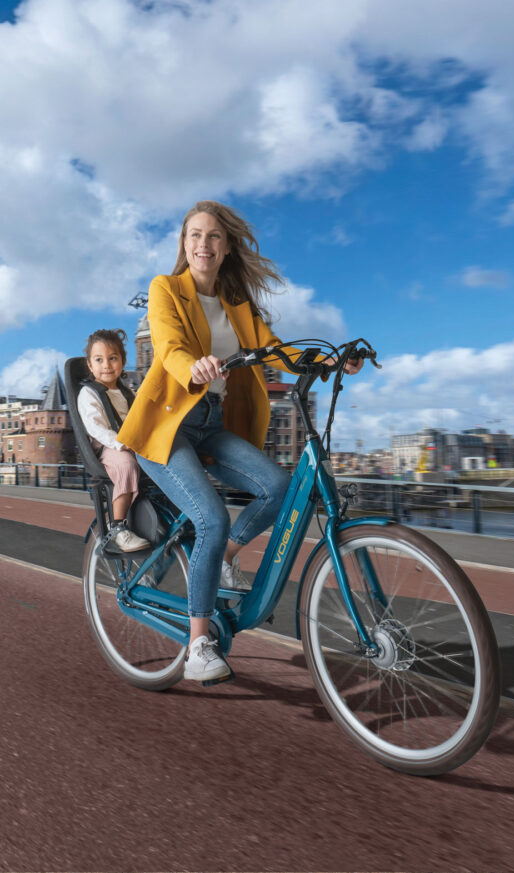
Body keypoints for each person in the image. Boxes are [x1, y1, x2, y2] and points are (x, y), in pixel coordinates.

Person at [117, 200, 362, 682]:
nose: (202, 244)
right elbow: (168, 345)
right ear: (183, 245)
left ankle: (226, 556)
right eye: (194, 235)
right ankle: (198, 644)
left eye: (212, 237)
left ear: (227, 248)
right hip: (167, 428)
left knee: (279, 487)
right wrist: (192, 366)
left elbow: (276, 349)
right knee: (208, 514)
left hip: (212, 423)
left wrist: (330, 360)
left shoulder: (238, 306)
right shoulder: (166, 289)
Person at [78, 328, 150, 553]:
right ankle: (117, 527)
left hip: (132, 444)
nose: (107, 365)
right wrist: (123, 443)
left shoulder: (128, 392)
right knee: (126, 464)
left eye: (113, 358)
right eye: (99, 360)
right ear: (90, 365)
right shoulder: (89, 394)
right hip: (107, 448)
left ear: (122, 361)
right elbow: (95, 427)